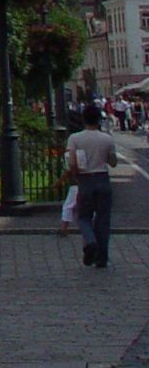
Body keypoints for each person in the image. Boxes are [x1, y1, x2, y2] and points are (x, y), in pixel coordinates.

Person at [65, 103, 119, 268]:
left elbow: (72, 162)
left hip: (85, 179)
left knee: (83, 216)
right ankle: (102, 258)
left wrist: (75, 175)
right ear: (99, 119)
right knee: (103, 220)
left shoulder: (75, 138)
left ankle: (89, 241)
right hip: (102, 178)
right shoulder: (107, 139)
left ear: (84, 119)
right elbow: (113, 162)